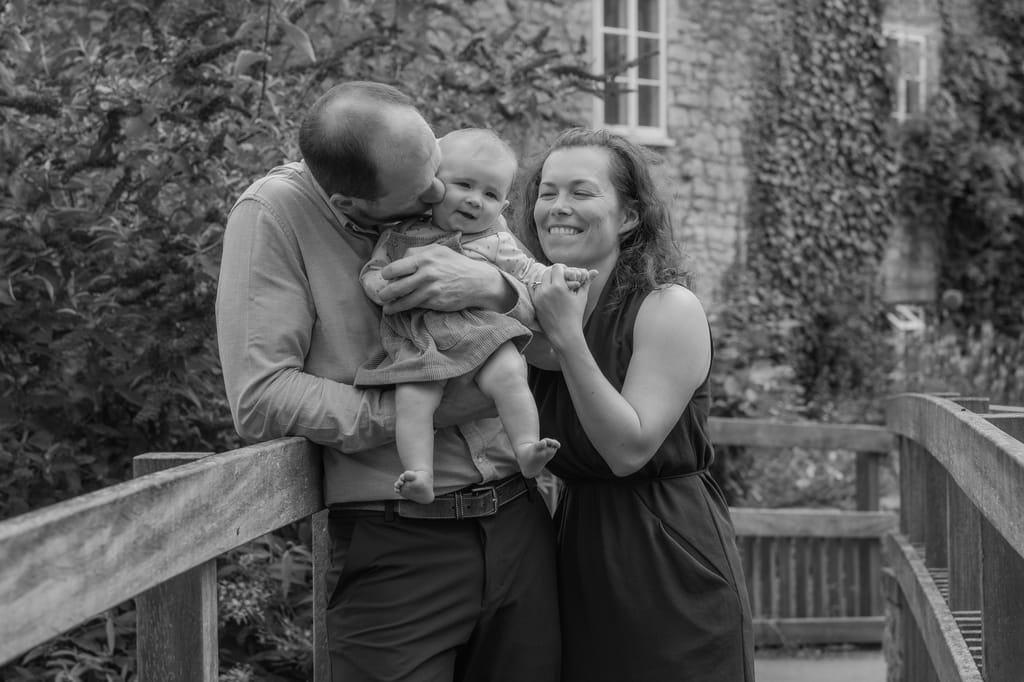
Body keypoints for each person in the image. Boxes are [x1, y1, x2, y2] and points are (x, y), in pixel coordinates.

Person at [216, 81, 560, 682]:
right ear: (350, 206)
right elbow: (262, 397)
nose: (439, 191)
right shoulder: (275, 215)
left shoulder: (447, 178)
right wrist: (427, 409)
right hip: (399, 539)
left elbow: (559, 344)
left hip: (521, 521)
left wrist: (498, 289)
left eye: (436, 165)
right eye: (423, 188)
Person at [518, 127, 755, 682]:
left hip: (666, 551)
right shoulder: (534, 309)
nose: (557, 208)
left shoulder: (668, 307)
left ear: (628, 216)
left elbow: (628, 448)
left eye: (581, 192)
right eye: (547, 192)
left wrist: (568, 338)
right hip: (577, 547)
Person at [357, 127, 591, 504]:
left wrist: (561, 274)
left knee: (511, 372)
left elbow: (531, 273)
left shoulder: (497, 242)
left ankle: (527, 445)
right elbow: (374, 268)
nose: (474, 200)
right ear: (432, 186)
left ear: (503, 208)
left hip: (485, 337)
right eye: (463, 185)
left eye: (490, 194)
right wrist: (375, 284)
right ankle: (420, 473)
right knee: (414, 399)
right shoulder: (401, 234)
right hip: (422, 341)